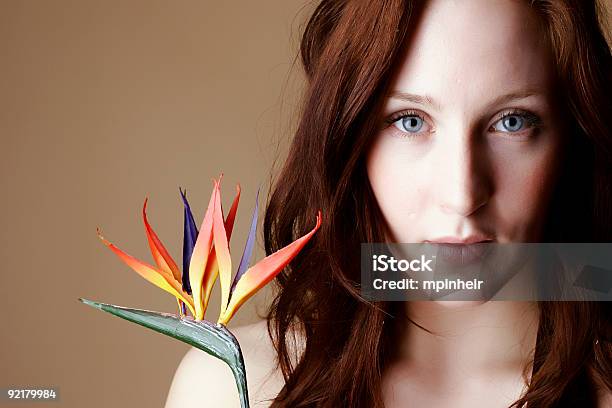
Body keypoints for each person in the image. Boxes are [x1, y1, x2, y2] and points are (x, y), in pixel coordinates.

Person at [165, 0, 612, 406]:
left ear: (573, 137)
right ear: (350, 141)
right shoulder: (233, 383)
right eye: (411, 121)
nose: (461, 196)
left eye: (511, 122)